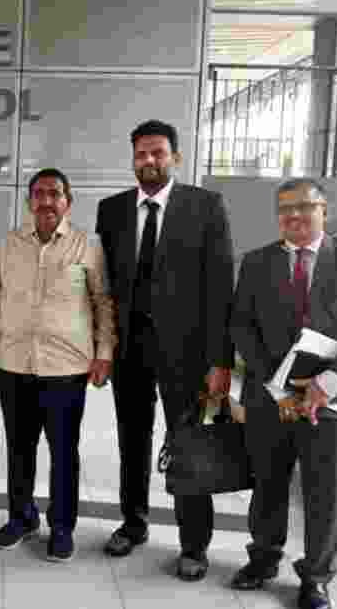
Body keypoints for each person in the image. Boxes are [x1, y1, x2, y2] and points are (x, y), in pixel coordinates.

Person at [229, 179, 337, 609]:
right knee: (267, 485)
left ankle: (316, 578)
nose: (293, 216)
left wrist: (327, 382)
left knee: (325, 494)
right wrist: (276, 383)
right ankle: (263, 559)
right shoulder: (256, 262)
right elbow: (241, 325)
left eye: (304, 206)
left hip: (333, 403)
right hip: (272, 399)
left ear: (324, 209)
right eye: (284, 209)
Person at [94, 120, 235, 580]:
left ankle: (193, 544)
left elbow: (220, 289)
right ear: (132, 159)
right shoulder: (111, 210)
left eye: (157, 153)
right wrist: (104, 347)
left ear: (175, 156)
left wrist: (220, 361)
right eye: (141, 154)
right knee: (131, 441)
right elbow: (104, 287)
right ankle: (133, 524)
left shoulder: (205, 206)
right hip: (130, 351)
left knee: (189, 446)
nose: (149, 161)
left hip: (188, 356)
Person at [0, 168, 115, 561]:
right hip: (15, 364)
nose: (46, 201)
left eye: (54, 194)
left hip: (65, 367)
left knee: (63, 451)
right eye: (38, 194)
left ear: (68, 202)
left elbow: (103, 303)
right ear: (29, 202)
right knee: (19, 449)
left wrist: (104, 353)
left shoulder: (86, 246)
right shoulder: (9, 245)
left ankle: (62, 526)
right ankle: (21, 518)